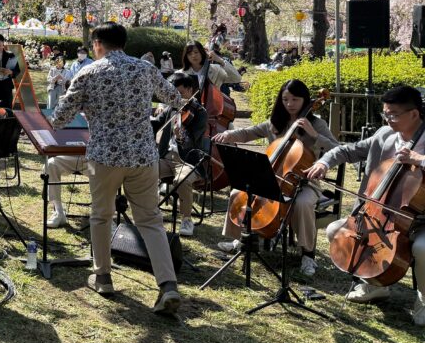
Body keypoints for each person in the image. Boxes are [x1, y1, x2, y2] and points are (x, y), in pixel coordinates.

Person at [51, 22, 183, 315]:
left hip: (105, 157)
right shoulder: (145, 69)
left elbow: (59, 118)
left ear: (97, 43)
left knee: (101, 216)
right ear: (123, 42)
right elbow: (175, 98)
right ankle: (168, 285)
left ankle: (103, 276)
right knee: (150, 220)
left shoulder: (88, 72)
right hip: (142, 156)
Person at [307, 85, 425, 324]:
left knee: (422, 248)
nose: (387, 119)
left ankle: (423, 299)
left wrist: (420, 159)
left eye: (393, 115)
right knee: (335, 231)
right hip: (381, 217)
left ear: (414, 114)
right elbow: (347, 150)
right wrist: (324, 162)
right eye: (385, 114)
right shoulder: (384, 135)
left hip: (421, 221)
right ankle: (374, 285)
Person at [213, 79, 337, 276]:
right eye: (286, 99)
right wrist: (229, 135)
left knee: (303, 203)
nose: (290, 104)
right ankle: (240, 239)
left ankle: (308, 254)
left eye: (295, 99)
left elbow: (336, 150)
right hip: (271, 177)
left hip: (304, 182)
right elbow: (248, 133)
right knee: (238, 191)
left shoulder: (317, 124)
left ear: (305, 100)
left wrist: (314, 135)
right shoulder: (275, 123)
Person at [153, 73, 208, 237]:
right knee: (142, 171)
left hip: (188, 160)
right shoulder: (172, 107)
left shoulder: (199, 112)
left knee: (181, 180)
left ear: (190, 90)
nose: (176, 97)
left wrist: (180, 134)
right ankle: (150, 211)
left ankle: (186, 219)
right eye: (173, 93)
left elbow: (193, 144)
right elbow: (156, 124)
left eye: (180, 93)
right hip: (165, 157)